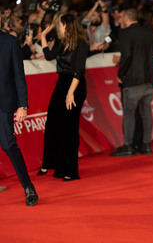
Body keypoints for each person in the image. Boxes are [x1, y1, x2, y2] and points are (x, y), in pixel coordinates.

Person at [37, 14, 88, 181]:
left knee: (70, 128)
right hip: (61, 85)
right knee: (52, 123)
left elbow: (79, 70)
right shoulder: (63, 43)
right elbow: (49, 56)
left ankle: (71, 170)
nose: (59, 28)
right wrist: (43, 36)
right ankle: (57, 166)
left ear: (67, 25)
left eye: (61, 25)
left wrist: (70, 93)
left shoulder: (81, 43)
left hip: (75, 86)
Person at [109, 8, 153, 157]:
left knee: (129, 114)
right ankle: (146, 145)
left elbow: (127, 55)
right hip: (148, 80)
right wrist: (145, 61)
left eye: (121, 18)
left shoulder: (125, 33)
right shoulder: (148, 32)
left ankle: (128, 146)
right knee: (146, 113)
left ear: (125, 18)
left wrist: (121, 73)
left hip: (132, 80)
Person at [0, 18, 38, 206]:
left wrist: (22, 105)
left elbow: (18, 75)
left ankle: (28, 186)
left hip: (3, 103)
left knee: (8, 145)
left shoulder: (10, 42)